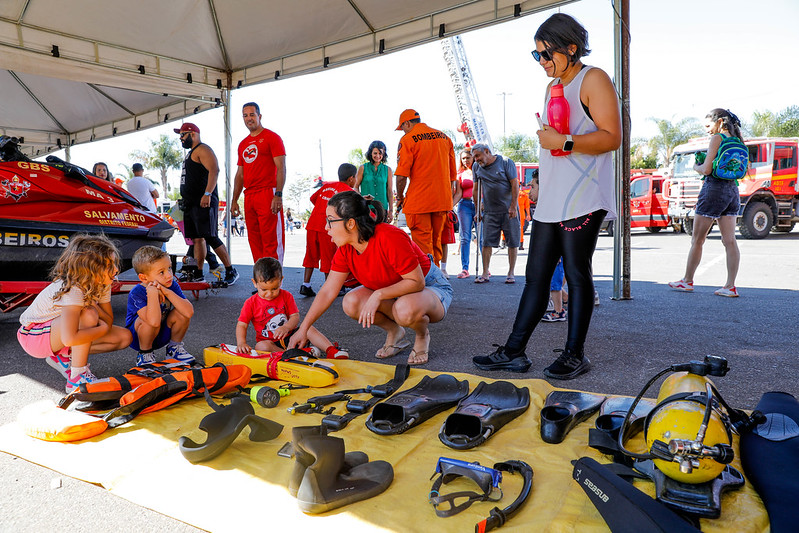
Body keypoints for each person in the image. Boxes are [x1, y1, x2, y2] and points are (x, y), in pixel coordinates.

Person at [473, 13, 621, 379]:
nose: (541, 61)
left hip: (584, 197)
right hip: (553, 200)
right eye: (536, 54)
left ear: (571, 49)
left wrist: (564, 141)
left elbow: (612, 137)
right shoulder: (554, 84)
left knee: (576, 273)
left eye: (547, 53)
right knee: (536, 276)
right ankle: (513, 351)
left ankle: (575, 355)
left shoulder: (594, 78)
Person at [288, 191, 452, 366]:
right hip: (395, 291)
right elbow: (328, 291)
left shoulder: (389, 236)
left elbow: (416, 282)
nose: (326, 227)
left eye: (330, 220)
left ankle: (422, 335)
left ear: (350, 223)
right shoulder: (346, 248)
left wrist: (378, 295)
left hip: (428, 287)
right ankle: (395, 332)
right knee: (351, 302)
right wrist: (303, 330)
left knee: (404, 308)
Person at [17, 234, 132, 392]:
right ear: (90, 268)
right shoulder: (73, 289)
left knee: (125, 337)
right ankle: (77, 378)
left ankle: (62, 358)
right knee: (88, 315)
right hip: (33, 336)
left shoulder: (103, 283)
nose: (116, 269)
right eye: (109, 265)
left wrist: (94, 305)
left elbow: (109, 320)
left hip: (59, 334)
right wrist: (102, 326)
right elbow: (70, 337)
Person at [668, 108, 743, 298]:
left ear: (719, 122)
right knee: (730, 241)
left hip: (714, 190)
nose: (707, 130)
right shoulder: (737, 140)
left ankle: (687, 281)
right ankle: (730, 286)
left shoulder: (717, 139)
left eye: (708, 125)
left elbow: (707, 170)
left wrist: (695, 166)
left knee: (697, 239)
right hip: (733, 191)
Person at [237, 257, 348, 358]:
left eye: (274, 288)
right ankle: (292, 355)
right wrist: (241, 343)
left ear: (281, 280)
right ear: (254, 283)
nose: (270, 294)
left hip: (293, 338)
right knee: (260, 346)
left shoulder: (286, 296)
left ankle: (331, 350)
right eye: (264, 290)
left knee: (308, 328)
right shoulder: (250, 303)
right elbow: (242, 325)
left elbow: (295, 317)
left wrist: (286, 327)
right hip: (270, 343)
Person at [176, 122, 239, 285]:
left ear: (193, 134)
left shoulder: (203, 149)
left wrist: (207, 193)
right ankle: (197, 272)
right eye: (180, 135)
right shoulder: (190, 153)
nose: (181, 138)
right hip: (191, 202)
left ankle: (230, 270)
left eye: (183, 134)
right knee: (197, 239)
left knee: (210, 236)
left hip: (203, 200)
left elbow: (214, 170)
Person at [394, 109, 457, 266]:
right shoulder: (445, 138)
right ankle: (436, 278)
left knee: (422, 247)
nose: (403, 131)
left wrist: (400, 197)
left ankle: (428, 281)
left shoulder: (408, 140)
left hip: (419, 202)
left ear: (407, 123)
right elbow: (452, 176)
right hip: (442, 201)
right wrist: (447, 199)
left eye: (403, 127)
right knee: (436, 242)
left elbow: (401, 176)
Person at [231, 102, 287, 263]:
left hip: (268, 192)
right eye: (245, 115)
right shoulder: (243, 144)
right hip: (249, 195)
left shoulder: (272, 137)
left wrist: (278, 194)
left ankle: (275, 285)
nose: (249, 118)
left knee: (271, 241)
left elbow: (281, 167)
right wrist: (234, 200)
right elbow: (240, 175)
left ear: (259, 116)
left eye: (252, 114)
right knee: (255, 242)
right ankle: (262, 284)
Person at [125, 246, 196, 366]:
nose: (169, 275)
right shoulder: (137, 292)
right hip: (140, 338)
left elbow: (188, 312)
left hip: (161, 333)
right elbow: (153, 322)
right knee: (146, 320)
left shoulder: (171, 285)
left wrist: (167, 291)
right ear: (144, 278)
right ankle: (145, 354)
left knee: (181, 311)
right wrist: (152, 293)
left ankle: (174, 349)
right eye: (161, 272)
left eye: (169, 268)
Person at [300, 163, 357, 297]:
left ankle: (305, 284)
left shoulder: (326, 186)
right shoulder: (349, 191)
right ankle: (329, 288)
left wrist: (322, 207)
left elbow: (313, 198)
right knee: (328, 256)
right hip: (327, 226)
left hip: (312, 224)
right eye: (355, 178)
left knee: (311, 254)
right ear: (350, 179)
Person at [471, 144, 520, 284]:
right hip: (489, 211)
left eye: (478, 156)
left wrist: (513, 207)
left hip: (508, 210)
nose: (476, 160)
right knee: (486, 242)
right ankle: (485, 272)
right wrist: (477, 210)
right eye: (474, 157)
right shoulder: (476, 167)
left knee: (512, 241)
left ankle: (511, 272)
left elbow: (514, 184)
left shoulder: (505, 162)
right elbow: (476, 190)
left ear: (487, 152)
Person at [355, 140, 394, 221]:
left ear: (384, 155)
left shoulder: (388, 170)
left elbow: (390, 191)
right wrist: (361, 199)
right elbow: (356, 187)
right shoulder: (362, 168)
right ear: (370, 153)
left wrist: (390, 211)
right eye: (375, 153)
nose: (378, 156)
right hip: (366, 209)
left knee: (382, 233)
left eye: (380, 154)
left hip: (382, 209)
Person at [455, 149, 477, 279]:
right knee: (464, 237)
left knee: (481, 237)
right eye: (463, 158)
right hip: (465, 205)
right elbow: (458, 193)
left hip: (480, 204)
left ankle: (485, 268)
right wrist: (449, 205)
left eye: (468, 157)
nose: (466, 160)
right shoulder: (461, 174)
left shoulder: (480, 171)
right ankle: (465, 268)